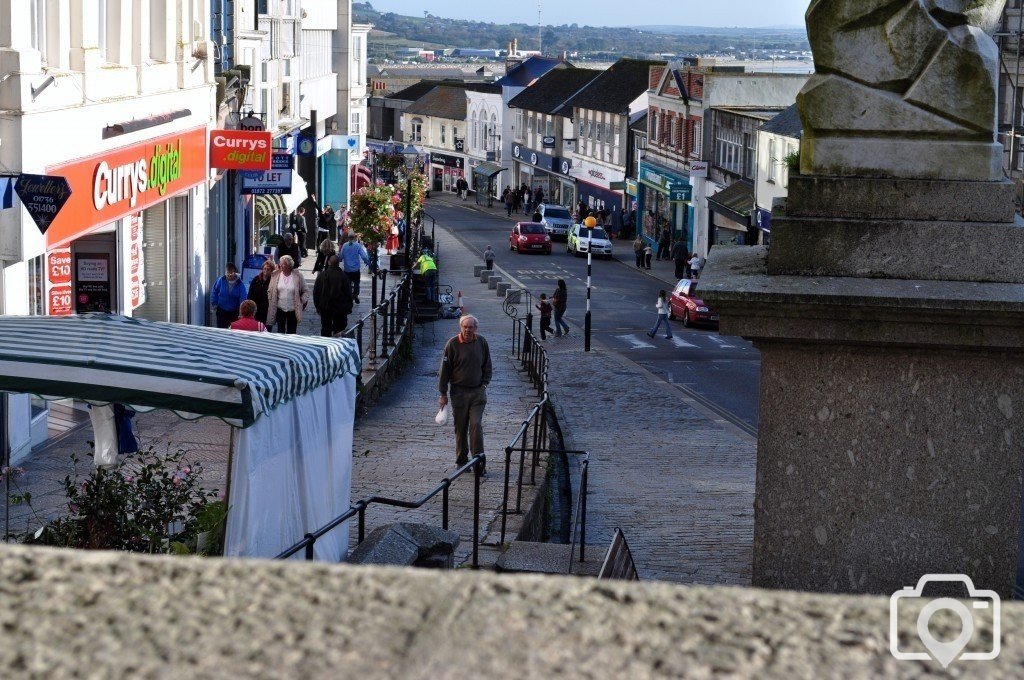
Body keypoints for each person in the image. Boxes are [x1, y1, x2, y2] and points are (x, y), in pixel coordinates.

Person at [438, 315, 492, 470]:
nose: (468, 330)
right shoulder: (452, 344)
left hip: (477, 393)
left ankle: (478, 462)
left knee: (476, 425)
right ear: (461, 327)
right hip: (458, 393)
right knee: (460, 427)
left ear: (476, 328)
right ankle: (461, 460)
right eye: (465, 327)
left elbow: (487, 365)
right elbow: (444, 371)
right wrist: (443, 394)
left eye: (471, 327)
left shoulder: (481, 342)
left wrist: (484, 385)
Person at [313, 254, 354, 338]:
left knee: (325, 329)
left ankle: (326, 346)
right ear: (338, 263)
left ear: (328, 262)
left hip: (325, 308)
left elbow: (316, 292)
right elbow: (349, 294)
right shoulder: (344, 276)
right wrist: (348, 308)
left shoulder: (321, 275)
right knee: (339, 330)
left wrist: (317, 306)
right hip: (340, 309)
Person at [267, 255, 308, 334]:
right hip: (280, 308)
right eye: (280, 263)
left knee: (292, 332)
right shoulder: (275, 275)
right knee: (280, 331)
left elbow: (305, 291)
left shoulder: (298, 276)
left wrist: (301, 300)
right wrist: (270, 298)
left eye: (283, 264)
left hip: (293, 309)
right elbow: (270, 289)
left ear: (289, 265)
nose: (280, 265)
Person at [211, 262, 247, 329]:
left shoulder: (240, 284)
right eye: (228, 272)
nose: (229, 274)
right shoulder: (221, 280)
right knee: (221, 329)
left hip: (234, 311)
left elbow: (243, 298)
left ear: (235, 272)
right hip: (221, 310)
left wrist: (241, 311)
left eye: (231, 272)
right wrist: (214, 303)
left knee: (233, 330)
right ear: (225, 272)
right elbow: (214, 291)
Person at [340, 234, 370, 304]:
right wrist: (367, 262)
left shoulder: (345, 245)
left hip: (347, 269)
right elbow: (364, 256)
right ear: (355, 238)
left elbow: (341, 256)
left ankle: (349, 295)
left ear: (348, 238)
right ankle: (355, 294)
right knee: (356, 282)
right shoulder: (358, 245)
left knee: (348, 283)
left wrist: (340, 259)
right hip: (356, 269)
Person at [247, 259, 275, 325]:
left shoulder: (273, 281)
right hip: (254, 311)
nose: (266, 270)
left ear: (271, 271)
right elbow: (250, 294)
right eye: (264, 268)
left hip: (267, 312)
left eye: (268, 269)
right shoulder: (256, 279)